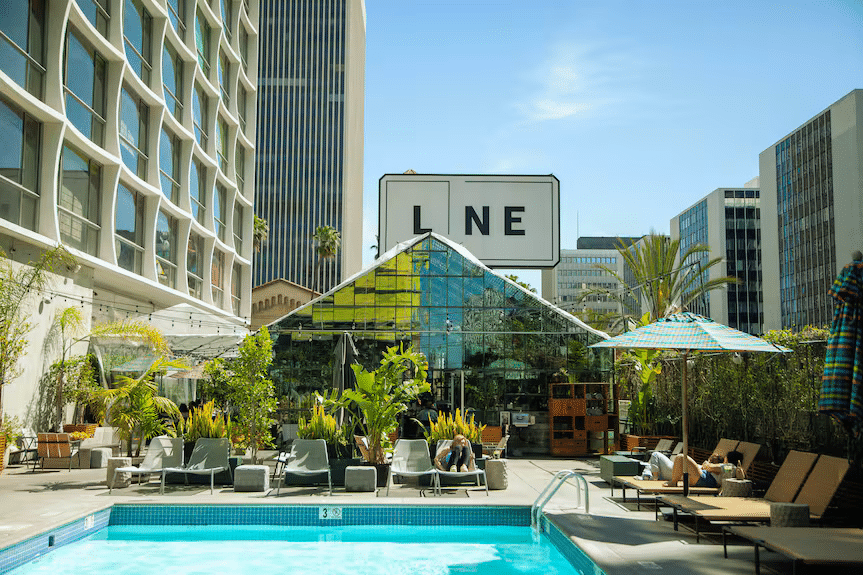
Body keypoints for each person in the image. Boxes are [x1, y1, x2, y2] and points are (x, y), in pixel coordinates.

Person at [663, 449, 746, 488]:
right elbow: (718, 470)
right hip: (704, 479)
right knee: (680, 460)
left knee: (681, 457)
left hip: (704, 479)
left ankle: (674, 482)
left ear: (727, 459)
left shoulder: (730, 467)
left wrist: (707, 462)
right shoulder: (732, 469)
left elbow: (710, 468)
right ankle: (674, 481)